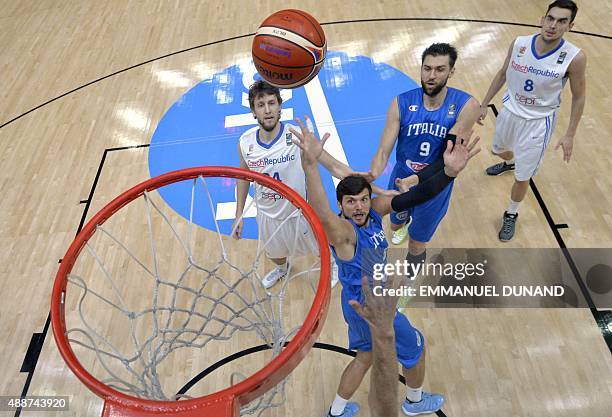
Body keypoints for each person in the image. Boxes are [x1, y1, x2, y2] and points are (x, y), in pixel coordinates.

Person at [290, 116, 480, 416]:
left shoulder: (374, 212)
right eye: (350, 202)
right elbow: (322, 214)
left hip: (354, 303)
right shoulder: (344, 234)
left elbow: (418, 195)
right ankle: (415, 402)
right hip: (373, 307)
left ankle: (336, 411)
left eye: (364, 200)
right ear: (341, 206)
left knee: (365, 356)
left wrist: (448, 173)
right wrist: (311, 166)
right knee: (416, 350)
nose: (359, 207)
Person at [233, 80, 389, 289]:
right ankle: (282, 268)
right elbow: (243, 176)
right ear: (253, 111)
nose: (268, 110)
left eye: (272, 103)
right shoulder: (245, 142)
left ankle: (334, 265)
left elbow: (333, 166)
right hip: (267, 215)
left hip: (300, 213)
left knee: (322, 247)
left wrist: (360, 178)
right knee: (275, 254)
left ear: (280, 106)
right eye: (261, 105)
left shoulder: (297, 137)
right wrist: (239, 214)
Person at [478, 0, 586, 241]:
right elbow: (502, 73)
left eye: (561, 21)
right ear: (542, 18)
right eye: (550, 18)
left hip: (538, 123)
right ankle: (510, 161)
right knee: (499, 151)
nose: (553, 25)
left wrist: (570, 134)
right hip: (509, 113)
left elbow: (579, 98)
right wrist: (483, 104)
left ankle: (511, 214)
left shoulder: (574, 58)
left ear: (570, 26)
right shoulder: (519, 44)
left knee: (523, 176)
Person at [368, 43, 480, 270]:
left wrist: (416, 180)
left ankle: (410, 277)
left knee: (417, 244)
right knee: (395, 226)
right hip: (401, 179)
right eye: (427, 68)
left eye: (439, 69)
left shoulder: (466, 106)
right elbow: (383, 151)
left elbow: (446, 161)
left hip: (435, 186)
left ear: (451, 72)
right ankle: (403, 223)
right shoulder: (401, 103)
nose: (431, 75)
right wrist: (371, 175)